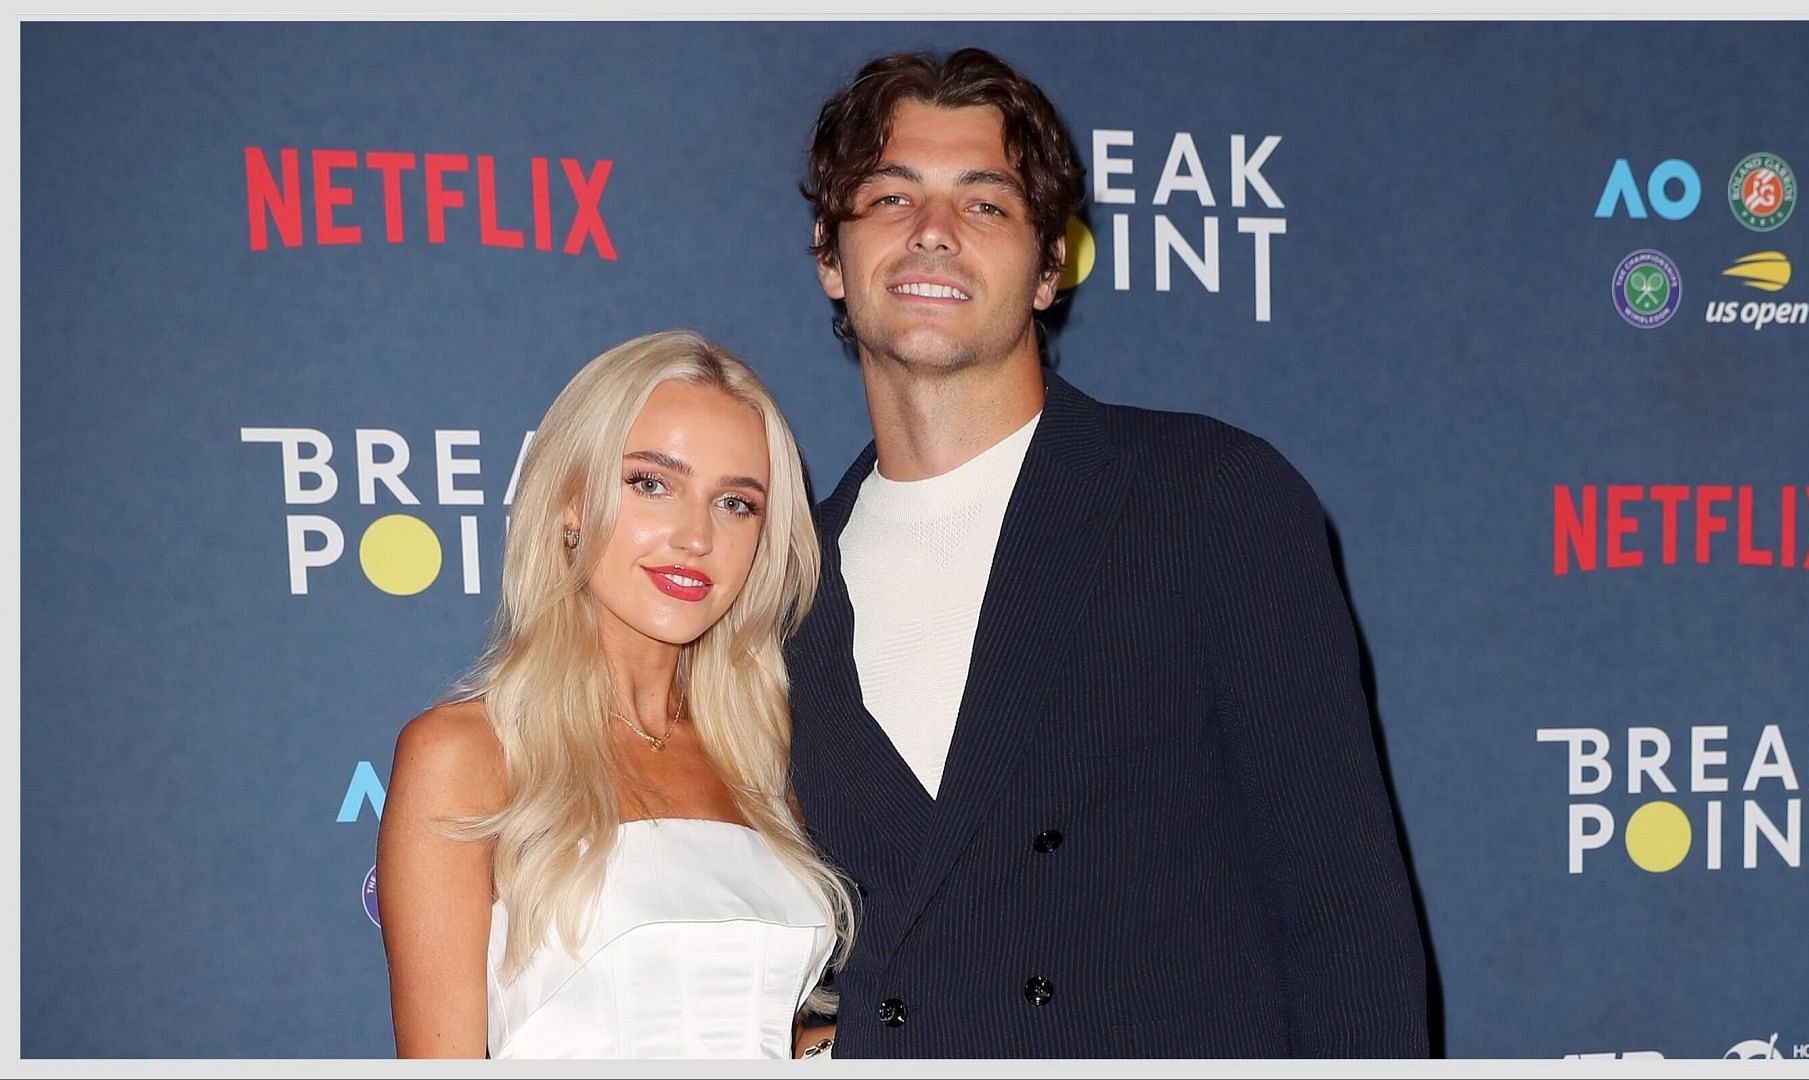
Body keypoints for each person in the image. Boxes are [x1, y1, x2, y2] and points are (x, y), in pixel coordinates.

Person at [786, 49, 1430, 1058]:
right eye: (888, 196)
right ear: (832, 253)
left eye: (986, 204)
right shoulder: (782, 588)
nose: (933, 233)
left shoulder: (1204, 496)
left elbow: (1345, 917)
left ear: (1050, 267)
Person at [377, 331, 853, 1059]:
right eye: (652, 484)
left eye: (735, 503)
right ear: (572, 503)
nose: (696, 537)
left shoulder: (759, 753)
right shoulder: (465, 754)